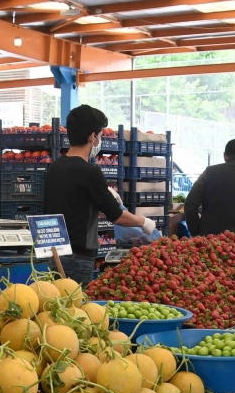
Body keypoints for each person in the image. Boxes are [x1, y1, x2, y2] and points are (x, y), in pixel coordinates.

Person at [43, 104, 155, 285]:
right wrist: (144, 222)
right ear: (92, 137)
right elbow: (117, 216)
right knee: (76, 309)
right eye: (100, 135)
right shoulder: (90, 172)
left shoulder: (54, 168)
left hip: (53, 255)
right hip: (77, 258)